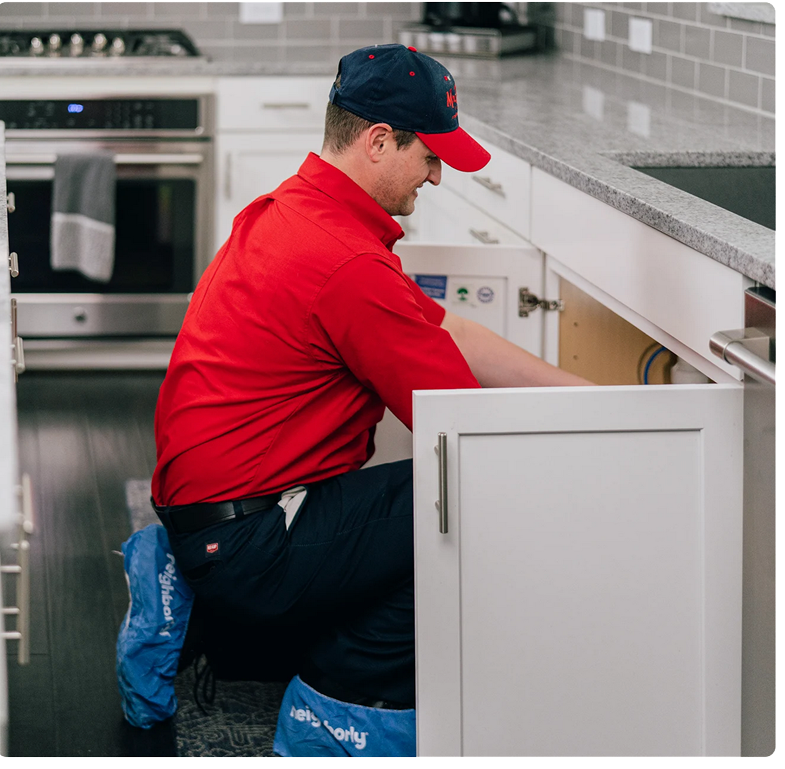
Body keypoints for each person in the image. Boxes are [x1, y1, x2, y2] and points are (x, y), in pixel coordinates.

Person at [151, 43, 591, 712]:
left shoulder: (298, 208)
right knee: (480, 491)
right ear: (380, 141)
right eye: (431, 157)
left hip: (214, 514)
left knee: (427, 502)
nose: (438, 177)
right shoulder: (346, 263)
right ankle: (341, 706)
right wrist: (572, 462)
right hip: (249, 541)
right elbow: (460, 429)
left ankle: (192, 605)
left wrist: (592, 403)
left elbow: (449, 332)